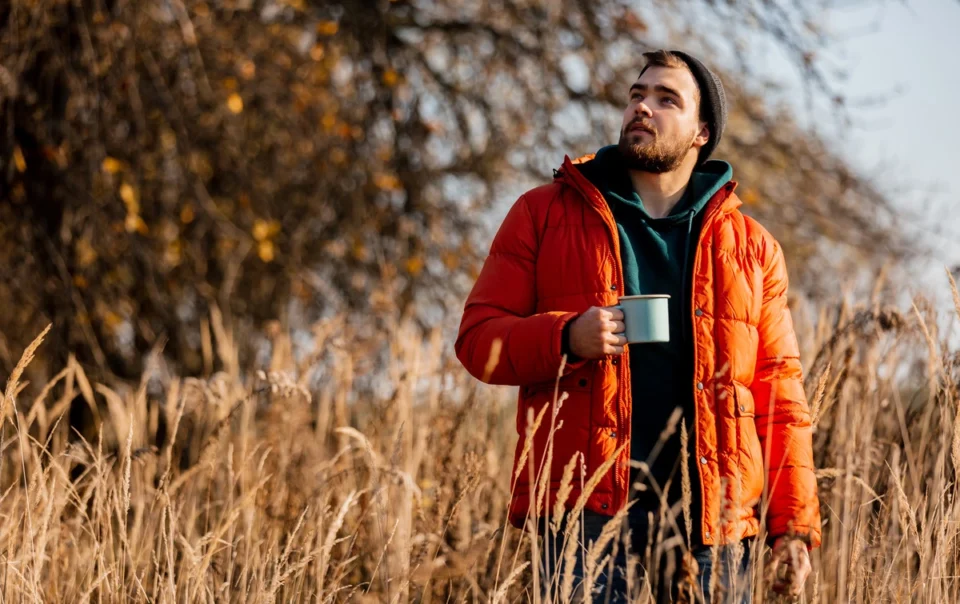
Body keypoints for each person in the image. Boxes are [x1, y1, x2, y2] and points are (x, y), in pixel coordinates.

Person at [455, 49, 820, 602]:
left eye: (665, 99)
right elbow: (477, 339)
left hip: (715, 521)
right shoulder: (543, 213)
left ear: (701, 132)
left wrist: (792, 528)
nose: (642, 107)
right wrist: (565, 337)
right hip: (583, 514)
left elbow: (780, 394)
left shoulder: (752, 248)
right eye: (636, 95)